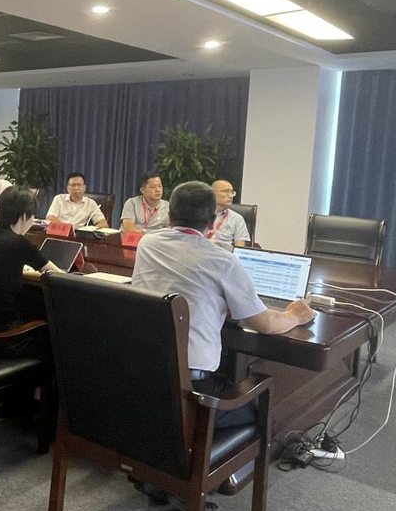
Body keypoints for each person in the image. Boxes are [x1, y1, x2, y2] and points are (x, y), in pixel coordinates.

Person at [132, 181, 314, 428]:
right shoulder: (222, 260)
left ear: (169, 215)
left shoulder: (147, 244)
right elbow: (267, 325)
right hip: (193, 394)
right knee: (265, 412)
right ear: (212, 221)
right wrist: (295, 314)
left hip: (146, 376)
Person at [0, 185, 61, 332]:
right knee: (45, 320)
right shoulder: (20, 243)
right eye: (33, 216)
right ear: (24, 216)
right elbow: (57, 275)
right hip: (1, 333)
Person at [207, 180, 250, 250]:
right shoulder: (198, 214)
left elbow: (239, 249)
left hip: (223, 254)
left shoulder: (237, 219)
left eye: (232, 192)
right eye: (226, 191)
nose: (230, 196)